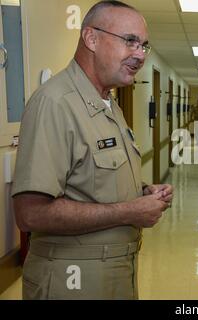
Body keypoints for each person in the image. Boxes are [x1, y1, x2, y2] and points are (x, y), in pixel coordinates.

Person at [12, 1, 173, 300]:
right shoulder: (55, 103)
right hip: (71, 280)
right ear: (91, 39)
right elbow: (30, 214)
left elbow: (91, 180)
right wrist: (130, 211)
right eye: (130, 41)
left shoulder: (109, 105)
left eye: (144, 46)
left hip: (115, 271)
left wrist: (143, 192)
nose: (140, 54)